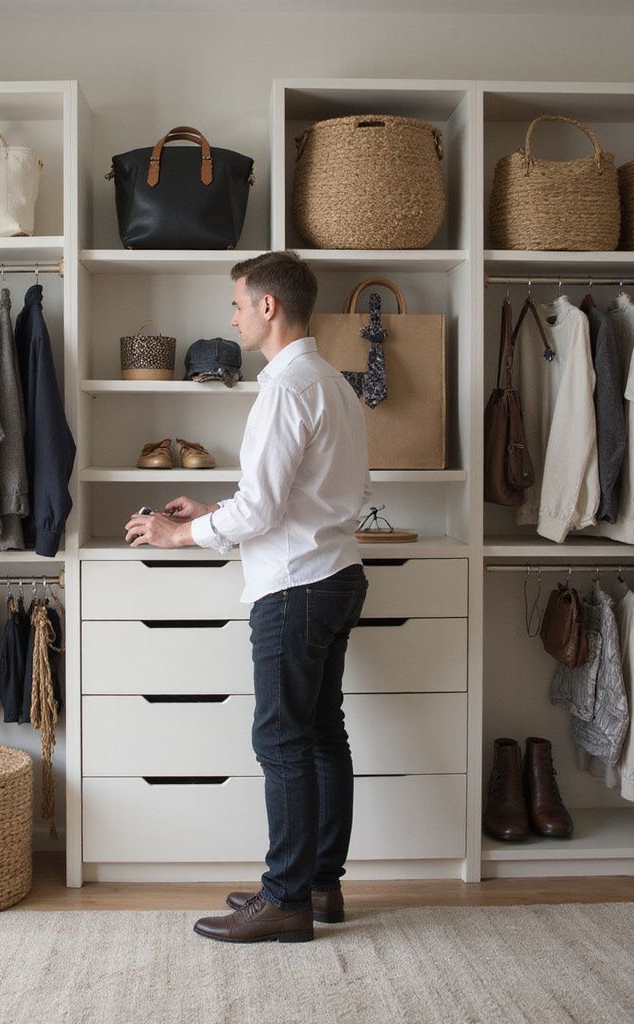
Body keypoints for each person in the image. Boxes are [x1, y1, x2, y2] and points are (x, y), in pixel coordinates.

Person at [124, 251, 371, 943]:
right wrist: (211, 510)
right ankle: (319, 885)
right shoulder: (334, 384)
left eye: (237, 304)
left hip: (295, 586)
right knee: (322, 734)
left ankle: (286, 898)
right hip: (335, 572)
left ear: (268, 307)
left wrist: (180, 534)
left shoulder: (285, 389)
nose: (231, 317)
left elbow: (263, 510)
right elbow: (293, 499)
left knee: (284, 739)